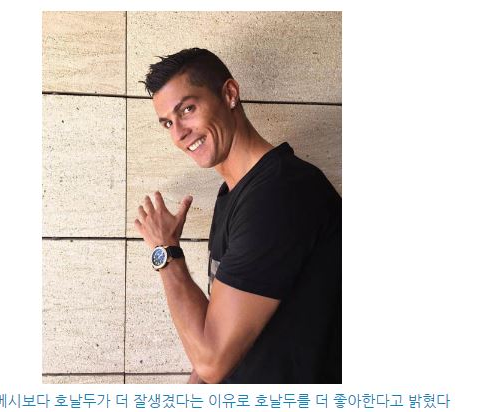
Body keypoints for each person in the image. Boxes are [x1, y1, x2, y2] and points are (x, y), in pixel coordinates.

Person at [134, 48, 341, 384]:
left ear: (229, 94)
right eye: (168, 123)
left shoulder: (280, 194)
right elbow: (218, 326)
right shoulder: (235, 194)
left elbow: (213, 360)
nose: (179, 133)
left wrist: (166, 252)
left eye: (187, 109)